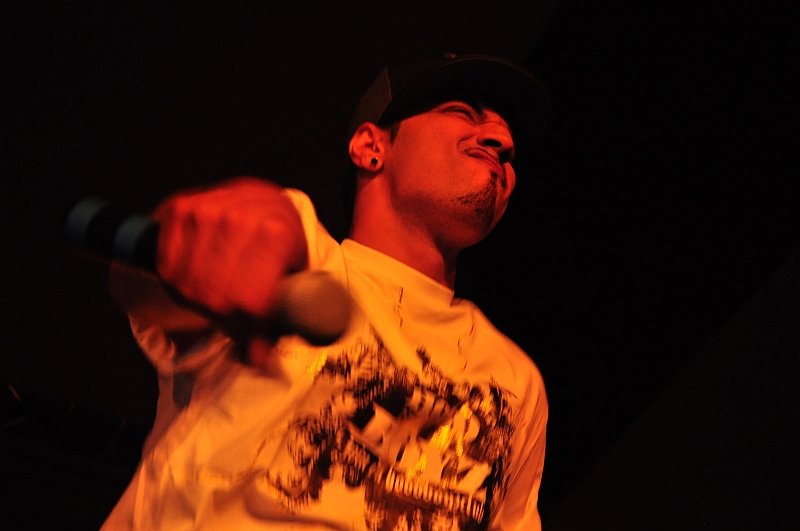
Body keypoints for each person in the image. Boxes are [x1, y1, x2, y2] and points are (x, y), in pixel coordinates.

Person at [101, 52, 550, 530]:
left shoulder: (515, 379)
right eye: (461, 112)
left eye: (509, 143)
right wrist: (181, 249)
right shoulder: (301, 258)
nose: (503, 142)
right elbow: (153, 289)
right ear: (370, 148)